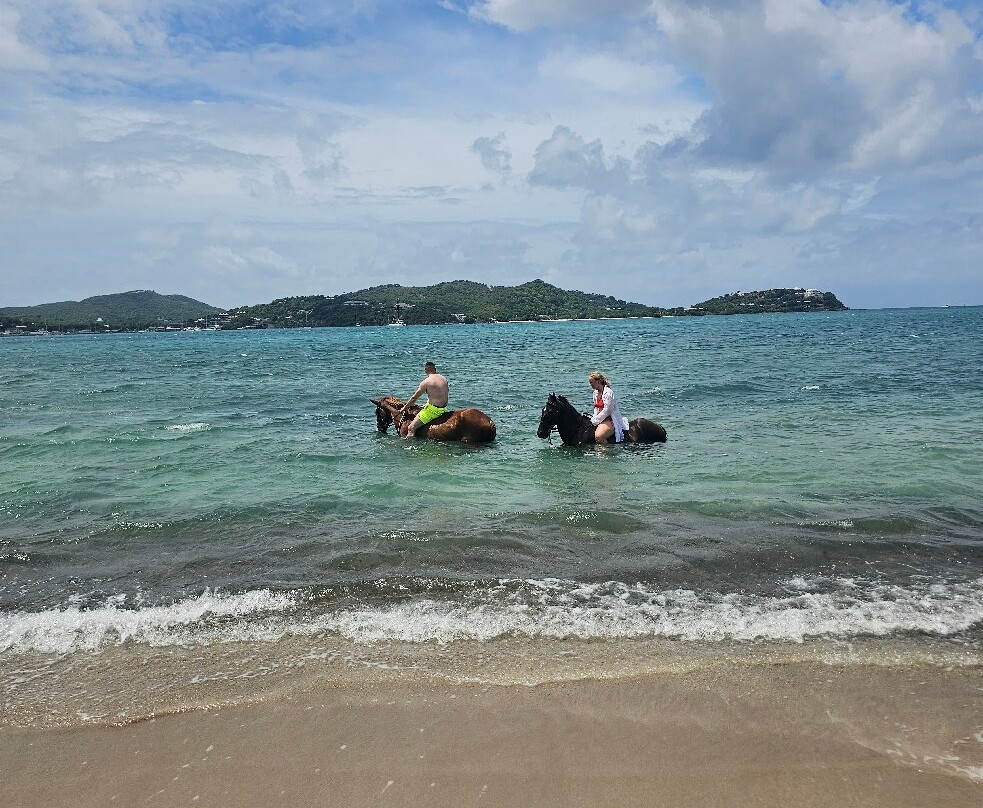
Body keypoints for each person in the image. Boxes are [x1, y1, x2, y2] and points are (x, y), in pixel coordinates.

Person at [400, 361, 449, 437]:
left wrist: (404, 408)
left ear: (425, 370)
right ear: (435, 369)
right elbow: (439, 394)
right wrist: (426, 404)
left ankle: (410, 447)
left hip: (434, 411)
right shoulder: (443, 378)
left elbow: (413, 398)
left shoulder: (426, 382)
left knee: (411, 428)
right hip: (444, 409)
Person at [588, 370, 629, 443]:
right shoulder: (595, 393)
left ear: (598, 382)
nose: (590, 384)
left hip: (610, 418)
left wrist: (596, 420)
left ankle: (607, 452)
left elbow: (607, 410)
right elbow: (596, 408)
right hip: (600, 417)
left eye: (591, 382)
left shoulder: (608, 392)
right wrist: (594, 418)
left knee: (599, 437)